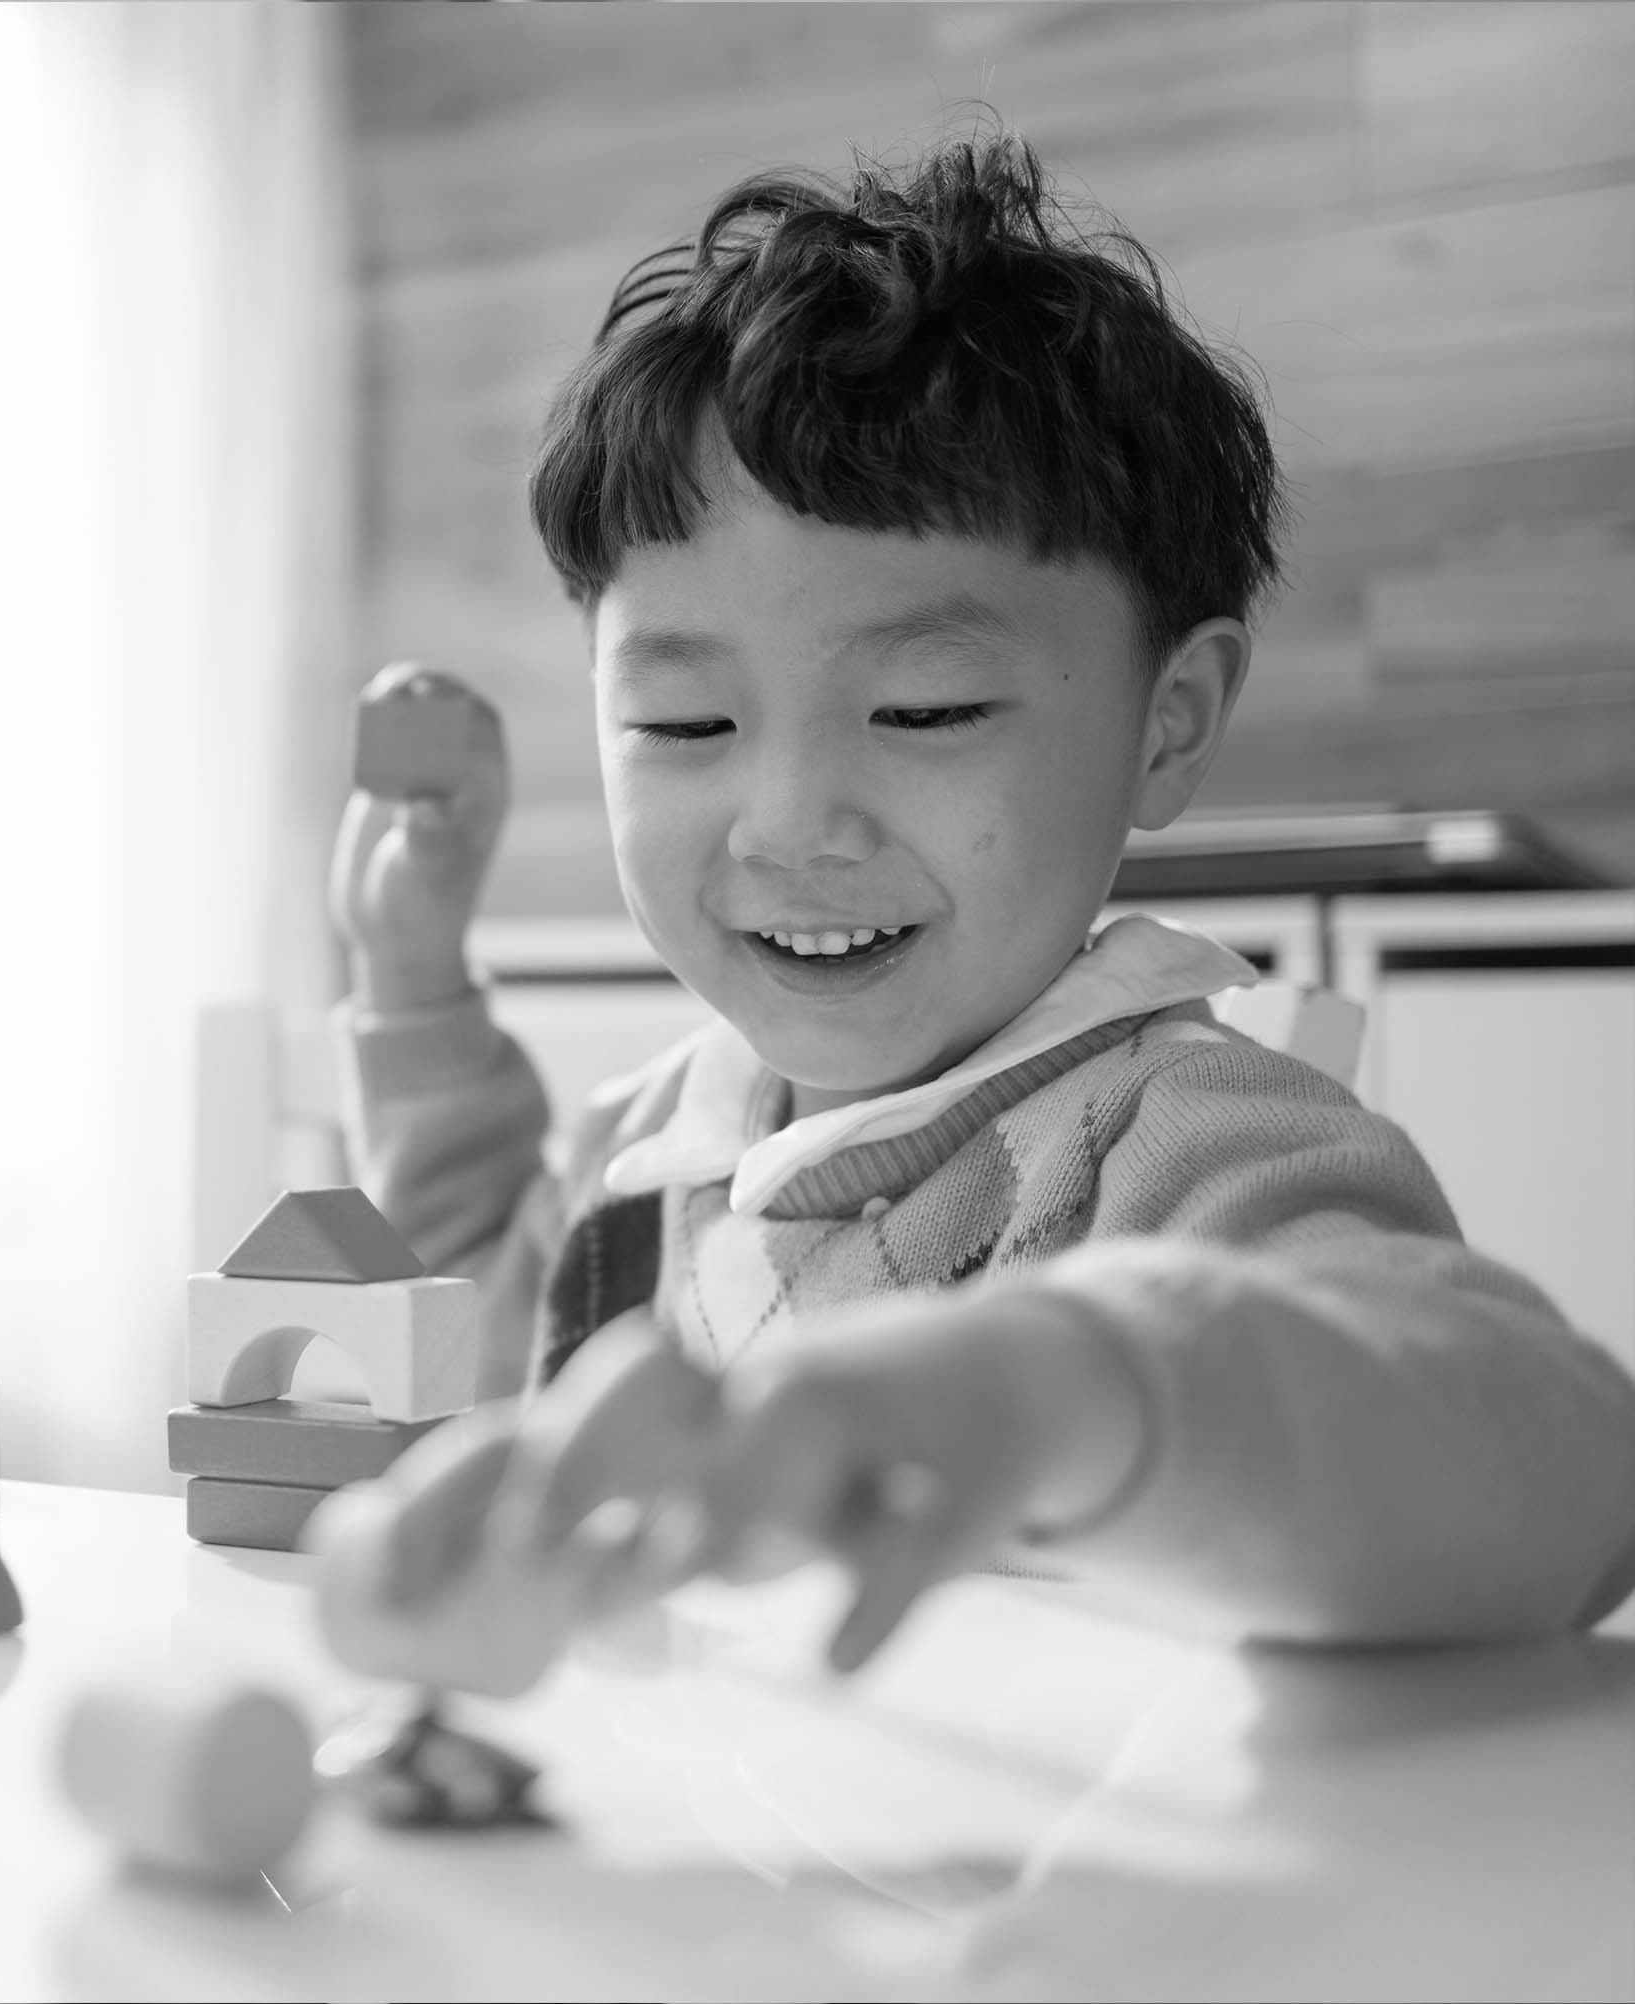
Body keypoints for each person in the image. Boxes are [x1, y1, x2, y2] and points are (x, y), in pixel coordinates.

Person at [324, 134, 1635, 1675]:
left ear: (1170, 723)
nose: (791, 821)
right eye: (685, 724)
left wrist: (1049, 1390)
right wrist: (411, 985)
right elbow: (479, 1340)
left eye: (930, 708)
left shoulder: (1175, 1139)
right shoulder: (650, 1156)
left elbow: (1561, 1473)